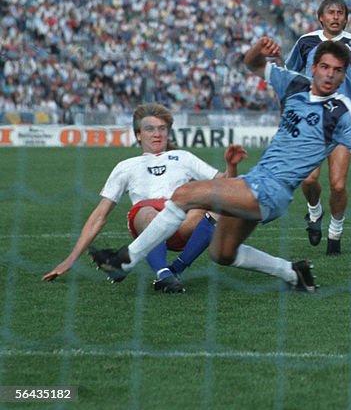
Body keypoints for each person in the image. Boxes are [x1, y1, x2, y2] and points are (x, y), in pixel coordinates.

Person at [90, 37, 351, 291]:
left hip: (272, 190)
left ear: (344, 77)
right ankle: (292, 272)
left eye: (338, 70)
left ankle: (124, 262)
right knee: (223, 253)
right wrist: (259, 48)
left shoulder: (342, 111)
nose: (330, 75)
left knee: (184, 195)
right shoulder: (294, 84)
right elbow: (251, 63)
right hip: (253, 182)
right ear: (313, 67)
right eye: (325, 67)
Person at [43, 103, 245, 293]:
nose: (157, 134)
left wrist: (231, 165)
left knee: (219, 208)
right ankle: (163, 274)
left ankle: (175, 269)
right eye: (150, 129)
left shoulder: (183, 157)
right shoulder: (126, 166)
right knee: (149, 214)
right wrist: (71, 259)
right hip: (146, 219)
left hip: (180, 221)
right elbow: (99, 215)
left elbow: (226, 185)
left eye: (162, 128)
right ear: (138, 135)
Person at [285, 0, 351, 255]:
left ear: (346, 18)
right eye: (331, 12)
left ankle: (335, 233)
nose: (336, 16)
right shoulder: (305, 42)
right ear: (321, 17)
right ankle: (314, 212)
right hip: (311, 120)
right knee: (308, 178)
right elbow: (289, 76)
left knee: (338, 184)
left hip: (340, 123)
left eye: (340, 12)